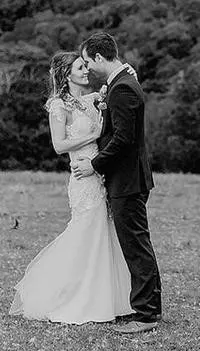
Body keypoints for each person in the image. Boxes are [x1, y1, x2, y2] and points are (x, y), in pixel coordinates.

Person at [9, 51, 133, 324]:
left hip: (98, 174)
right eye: (80, 66)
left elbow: (112, 89)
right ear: (67, 74)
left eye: (86, 65)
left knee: (102, 232)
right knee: (84, 231)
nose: (86, 70)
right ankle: (70, 295)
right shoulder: (58, 106)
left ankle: (104, 298)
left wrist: (129, 72)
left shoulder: (90, 100)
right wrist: (93, 135)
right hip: (81, 175)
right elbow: (58, 145)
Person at [72, 32, 162, 334]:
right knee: (133, 243)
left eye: (87, 61)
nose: (87, 68)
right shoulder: (121, 82)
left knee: (136, 245)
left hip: (127, 179)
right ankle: (142, 307)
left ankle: (147, 314)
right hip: (128, 178)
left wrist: (94, 165)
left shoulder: (123, 89)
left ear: (99, 57)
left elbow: (123, 139)